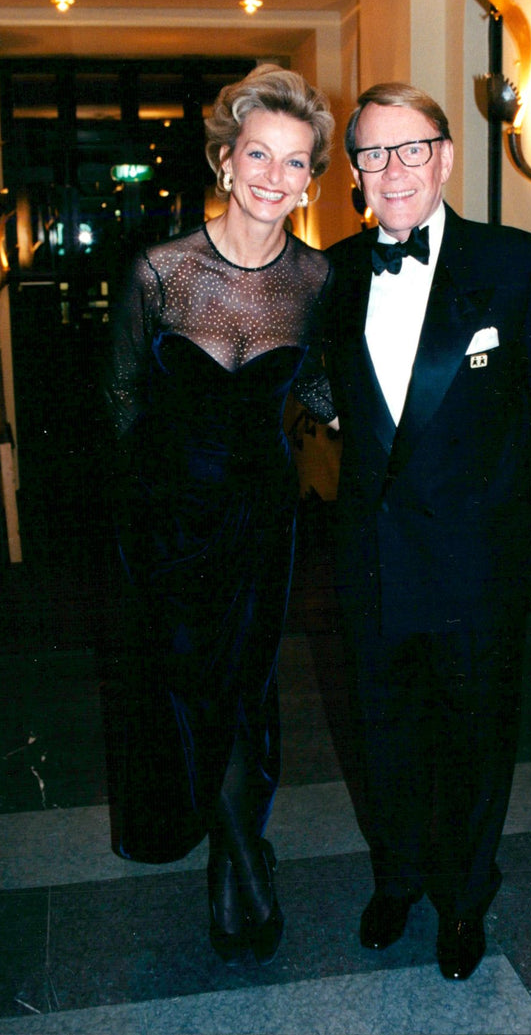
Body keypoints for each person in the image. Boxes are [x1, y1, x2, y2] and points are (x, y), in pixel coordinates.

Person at [323, 82, 531, 980]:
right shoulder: (333, 273)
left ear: (445, 156)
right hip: (369, 567)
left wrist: (508, 518)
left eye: (410, 149)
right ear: (354, 171)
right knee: (382, 735)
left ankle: (465, 898)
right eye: (372, 153)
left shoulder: (519, 264)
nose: (391, 171)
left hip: (475, 566)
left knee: (477, 740)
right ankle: (398, 877)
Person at [102, 65, 336, 968]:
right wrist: (149, 504)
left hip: (261, 521)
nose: (275, 176)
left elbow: (315, 386)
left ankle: (239, 863)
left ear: (311, 179)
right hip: (166, 521)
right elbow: (121, 398)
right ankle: (239, 846)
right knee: (187, 688)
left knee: (244, 688)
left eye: (297, 162)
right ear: (228, 160)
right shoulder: (161, 270)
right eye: (259, 155)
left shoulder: (315, 277)